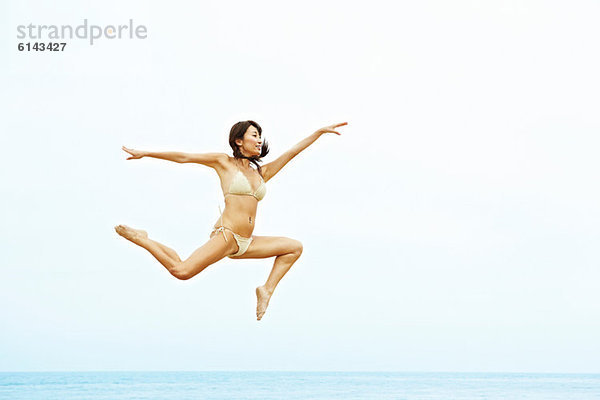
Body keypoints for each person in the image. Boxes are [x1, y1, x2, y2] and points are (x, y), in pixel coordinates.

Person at [115, 120, 347, 320]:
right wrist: (146, 153)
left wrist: (318, 133)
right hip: (226, 236)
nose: (259, 140)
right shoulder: (223, 162)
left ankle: (266, 290)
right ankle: (142, 239)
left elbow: (292, 153)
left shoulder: (261, 173)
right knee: (182, 271)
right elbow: (185, 157)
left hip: (247, 242)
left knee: (294, 248)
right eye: (254, 135)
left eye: (260, 136)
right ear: (239, 140)